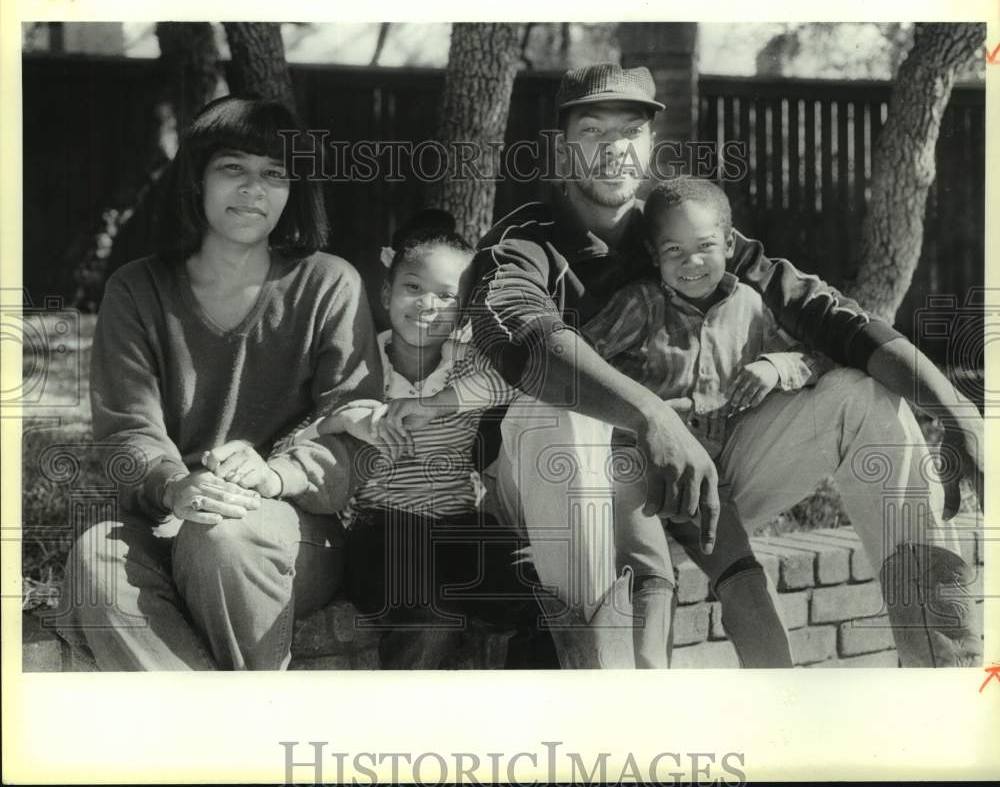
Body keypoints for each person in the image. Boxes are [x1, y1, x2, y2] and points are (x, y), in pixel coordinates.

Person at [467, 62, 982, 668]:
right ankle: (608, 698)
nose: (612, 149)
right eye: (592, 131)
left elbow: (834, 319)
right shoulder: (520, 246)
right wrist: (651, 416)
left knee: (861, 395)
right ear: (561, 147)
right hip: (549, 496)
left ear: (650, 143)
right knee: (557, 410)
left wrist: (955, 410)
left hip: (694, 475)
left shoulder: (687, 236)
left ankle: (944, 671)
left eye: (628, 131)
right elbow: (529, 348)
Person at [52, 96, 383, 670]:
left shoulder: (330, 284)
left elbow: (357, 433)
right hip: (170, 515)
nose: (253, 189)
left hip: (287, 531)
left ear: (293, 191)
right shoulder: (136, 290)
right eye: (233, 168)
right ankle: (219, 735)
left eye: (274, 174)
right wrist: (175, 486)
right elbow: (125, 432)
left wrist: (276, 474)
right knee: (93, 559)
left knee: (222, 537)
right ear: (197, 181)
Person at [583, 176, 838, 667]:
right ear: (653, 254)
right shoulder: (639, 304)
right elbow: (579, 362)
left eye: (704, 246)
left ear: (728, 242)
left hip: (705, 484)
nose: (691, 261)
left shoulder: (749, 306)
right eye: (673, 249)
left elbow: (817, 360)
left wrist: (775, 366)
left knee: (744, 574)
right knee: (652, 578)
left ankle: (782, 704)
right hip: (633, 470)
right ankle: (645, 707)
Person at [284, 211, 554, 669]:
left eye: (447, 296)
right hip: (381, 530)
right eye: (413, 287)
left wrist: (437, 403)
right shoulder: (361, 363)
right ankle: (406, 731)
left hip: (459, 524)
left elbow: (520, 378)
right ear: (387, 293)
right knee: (428, 619)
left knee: (544, 597)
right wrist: (343, 422)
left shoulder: (467, 365)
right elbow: (298, 438)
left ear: (467, 309)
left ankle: (534, 720)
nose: (428, 305)